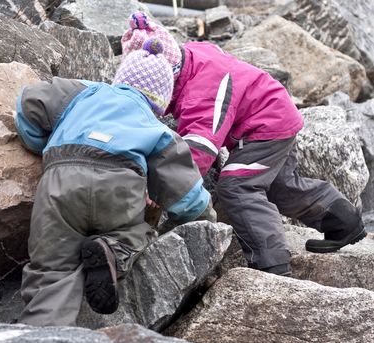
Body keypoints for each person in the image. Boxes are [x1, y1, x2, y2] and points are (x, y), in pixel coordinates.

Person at [120, 11, 367, 276]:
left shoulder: (203, 91)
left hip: (266, 126)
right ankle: (344, 222)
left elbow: (200, 147)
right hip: (276, 112)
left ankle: (271, 265)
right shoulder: (191, 54)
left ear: (169, 79)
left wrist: (164, 185)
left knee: (237, 186)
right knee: (282, 186)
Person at [14, 42, 213, 326]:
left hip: (61, 180)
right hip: (119, 185)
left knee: (51, 271)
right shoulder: (155, 127)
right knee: (137, 231)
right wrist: (206, 220)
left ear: (119, 78)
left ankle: (39, 336)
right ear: (160, 103)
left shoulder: (84, 91)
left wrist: (39, 144)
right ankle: (113, 249)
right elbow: (187, 195)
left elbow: (28, 102)